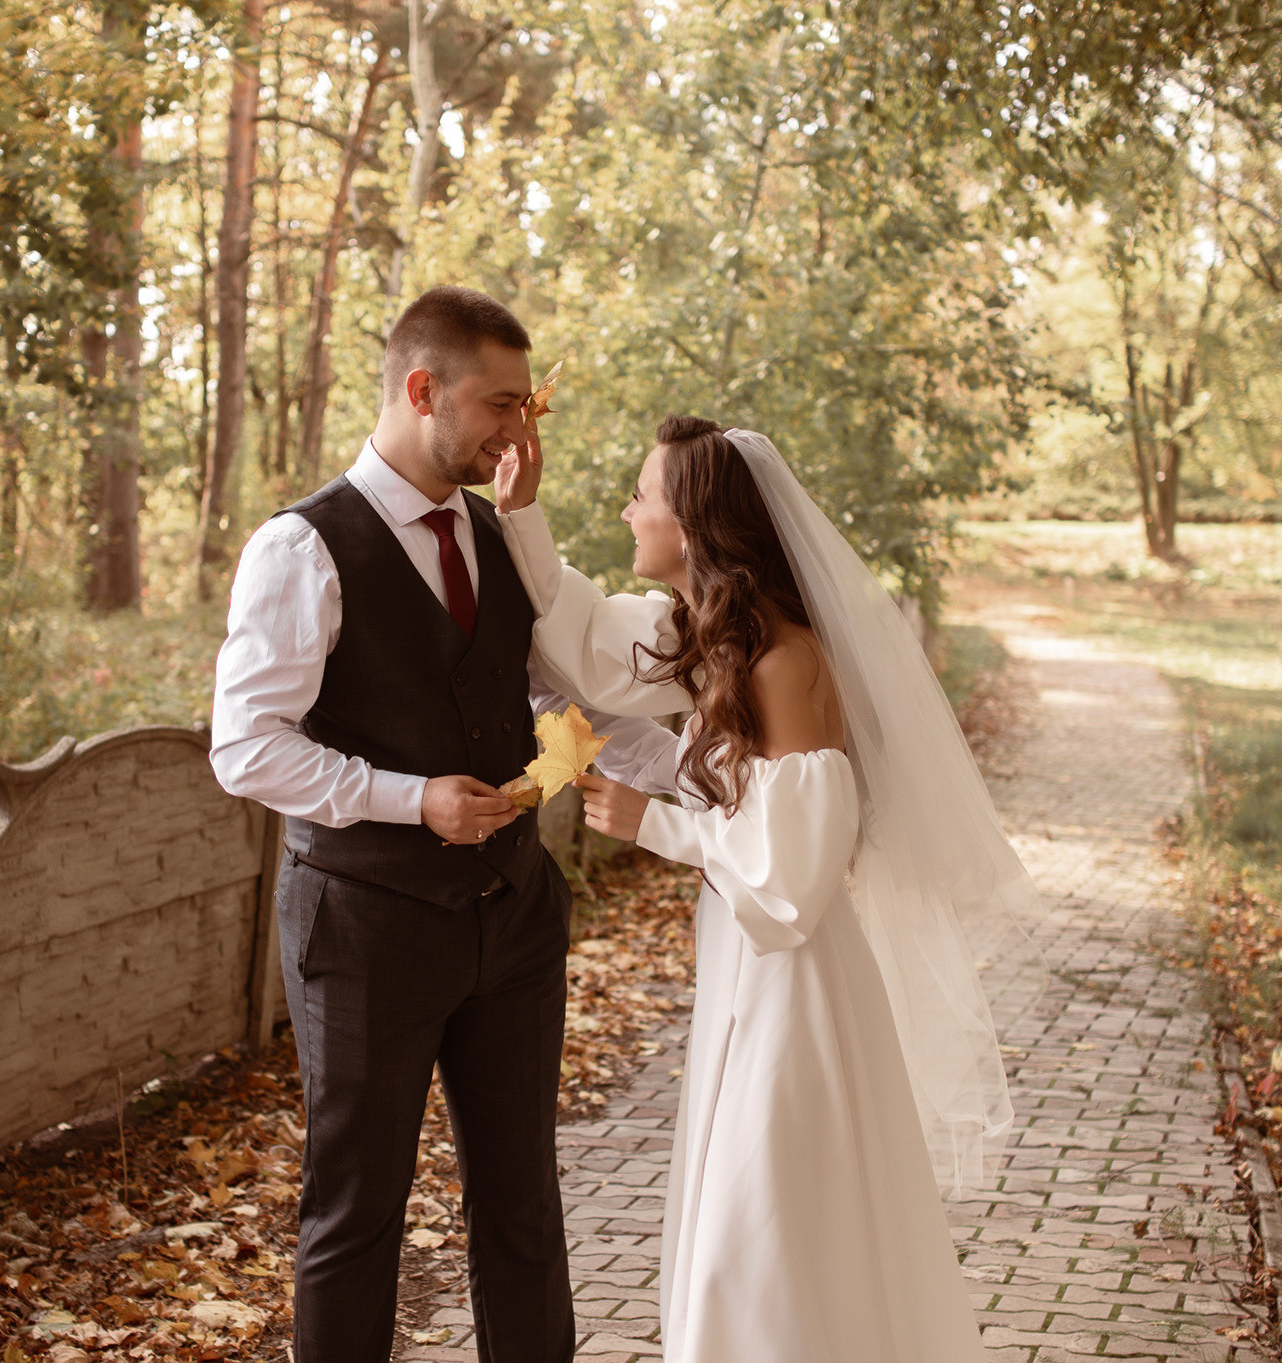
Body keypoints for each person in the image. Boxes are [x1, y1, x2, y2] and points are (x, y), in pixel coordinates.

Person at [492, 414, 1039, 1361]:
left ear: (695, 525)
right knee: (757, 1217)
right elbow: (585, 645)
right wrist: (522, 515)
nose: (628, 511)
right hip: (743, 965)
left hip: (790, 986)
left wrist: (650, 818)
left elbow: (794, 876)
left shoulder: (785, 663)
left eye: (642, 495)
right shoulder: (716, 642)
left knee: (760, 1228)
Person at [209, 286, 675, 1363]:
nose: (520, 431)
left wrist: (736, 786)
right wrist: (406, 797)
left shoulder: (504, 535)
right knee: (355, 1210)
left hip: (512, 919)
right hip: (365, 921)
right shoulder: (301, 547)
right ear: (423, 390)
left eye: (527, 406)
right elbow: (242, 746)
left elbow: (587, 702)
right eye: (501, 404)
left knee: (521, 1201)